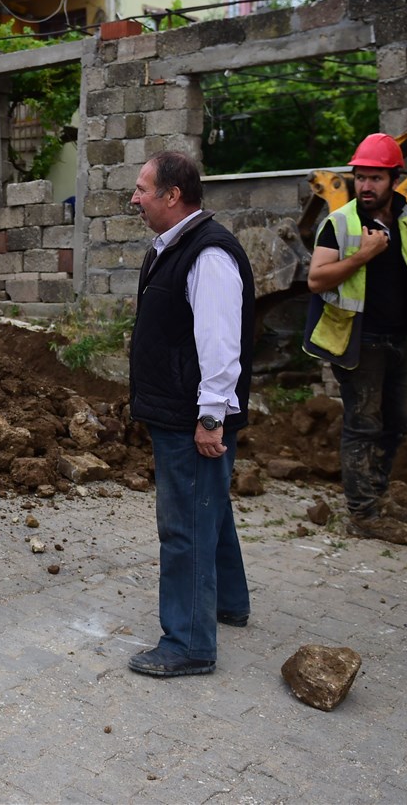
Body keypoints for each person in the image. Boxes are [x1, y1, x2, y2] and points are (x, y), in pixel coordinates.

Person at [125, 150, 253, 678]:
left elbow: (220, 345)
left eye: (142, 189)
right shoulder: (175, 247)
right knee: (209, 507)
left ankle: (189, 643)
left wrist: (209, 419)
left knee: (186, 526)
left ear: (172, 196)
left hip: (191, 415)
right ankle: (229, 602)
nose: (134, 198)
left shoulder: (208, 255)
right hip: (179, 407)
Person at [303, 133, 407, 545]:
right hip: (359, 339)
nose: (366, 186)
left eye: (375, 179)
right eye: (361, 177)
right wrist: (363, 255)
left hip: (397, 336)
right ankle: (363, 513)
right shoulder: (340, 223)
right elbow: (316, 279)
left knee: (399, 421)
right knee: (364, 424)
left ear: (394, 180)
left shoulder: (404, 212)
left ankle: (378, 493)